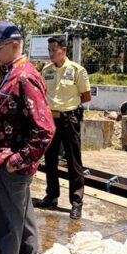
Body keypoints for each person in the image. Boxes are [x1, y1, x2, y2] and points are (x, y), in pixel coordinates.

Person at [0, 20, 55, 254]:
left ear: (13, 45)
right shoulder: (9, 71)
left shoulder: (24, 76)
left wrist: (18, 160)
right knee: (23, 217)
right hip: (8, 161)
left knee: (7, 225)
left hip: (12, 163)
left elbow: (45, 129)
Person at [35, 36, 91, 220]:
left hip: (69, 118)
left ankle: (76, 202)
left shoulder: (77, 70)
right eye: (49, 50)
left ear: (63, 49)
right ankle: (51, 196)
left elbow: (85, 96)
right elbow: (43, 93)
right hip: (51, 119)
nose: (51, 53)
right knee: (49, 159)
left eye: (53, 49)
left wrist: (69, 107)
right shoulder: (47, 70)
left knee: (73, 160)